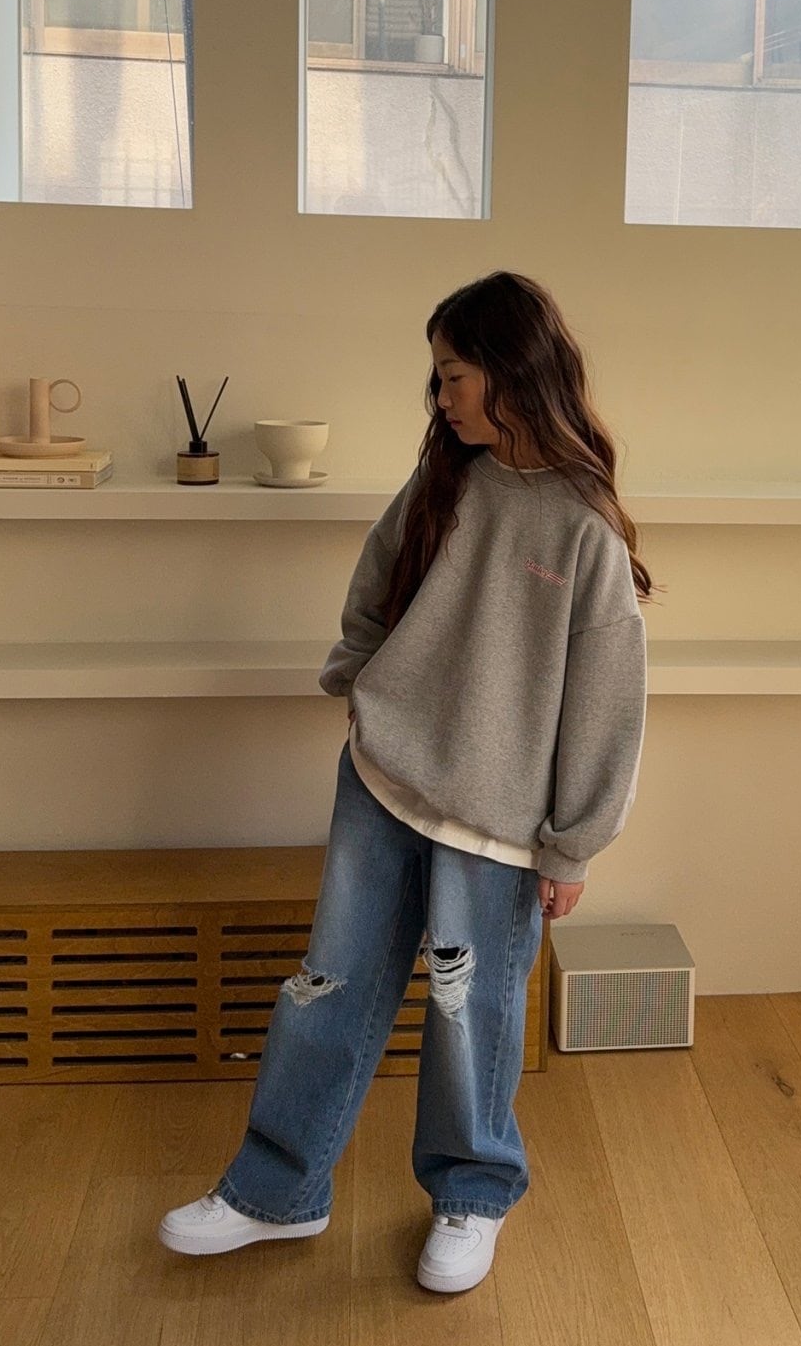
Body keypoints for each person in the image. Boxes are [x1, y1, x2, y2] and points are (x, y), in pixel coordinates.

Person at [159, 271, 658, 1292]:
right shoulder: (443, 480)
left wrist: (571, 846)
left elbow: (607, 702)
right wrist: (359, 677)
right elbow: (376, 582)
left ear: (513, 372)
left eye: (454, 374)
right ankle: (277, 1191)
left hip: (495, 823)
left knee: (470, 1015)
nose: (440, 396)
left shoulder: (583, 528)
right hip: (382, 782)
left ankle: (472, 1195)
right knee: (326, 988)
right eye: (437, 376)